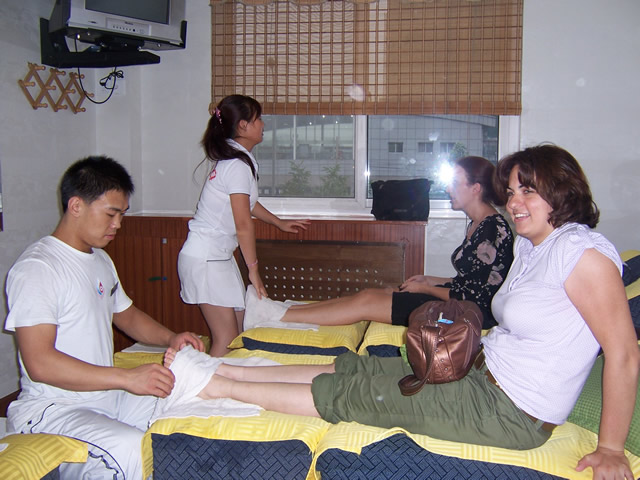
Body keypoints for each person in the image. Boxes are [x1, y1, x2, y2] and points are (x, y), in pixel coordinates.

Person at [164, 145, 640, 479]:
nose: (514, 202)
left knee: (355, 395)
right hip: (480, 372)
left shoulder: (582, 252)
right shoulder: (535, 247)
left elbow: (622, 353)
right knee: (360, 367)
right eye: (512, 191)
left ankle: (211, 386)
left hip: (508, 412)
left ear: (561, 191)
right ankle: (225, 368)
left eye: (527, 191)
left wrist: (611, 448)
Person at [4, 156, 205, 479]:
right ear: (76, 206)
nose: (118, 225)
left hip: (105, 397)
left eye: (122, 215)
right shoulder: (38, 269)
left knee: (183, 407)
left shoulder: (99, 260)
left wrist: (171, 338)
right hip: (53, 409)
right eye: (111, 214)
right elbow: (39, 363)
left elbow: (127, 316)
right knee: (132, 448)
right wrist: (126, 378)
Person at [244, 156, 514, 331]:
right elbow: (471, 281)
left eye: (455, 183)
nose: (448, 188)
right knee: (373, 293)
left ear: (475, 188)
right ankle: (286, 309)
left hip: (470, 314)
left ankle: (277, 316)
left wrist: (426, 288)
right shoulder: (479, 224)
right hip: (462, 302)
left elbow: (475, 296)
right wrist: (430, 279)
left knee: (367, 302)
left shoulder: (492, 228)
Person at [178, 95, 310, 356]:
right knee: (226, 338)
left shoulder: (238, 160)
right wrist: (253, 271)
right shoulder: (236, 165)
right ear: (243, 126)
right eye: (258, 119)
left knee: (237, 333)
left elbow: (247, 204)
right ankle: (200, 382)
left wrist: (278, 222)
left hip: (217, 257)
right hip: (207, 259)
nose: (263, 124)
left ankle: (220, 378)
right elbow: (243, 224)